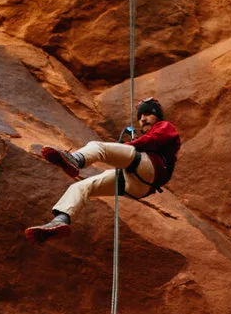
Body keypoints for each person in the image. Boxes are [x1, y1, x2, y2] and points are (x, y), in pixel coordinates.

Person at [26, 97, 182, 240]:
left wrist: (129, 145)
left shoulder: (165, 126)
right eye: (140, 117)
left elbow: (154, 139)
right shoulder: (144, 140)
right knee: (82, 186)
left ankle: (76, 160)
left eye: (147, 114)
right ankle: (60, 221)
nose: (142, 119)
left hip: (152, 168)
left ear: (157, 115)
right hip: (138, 186)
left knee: (98, 147)